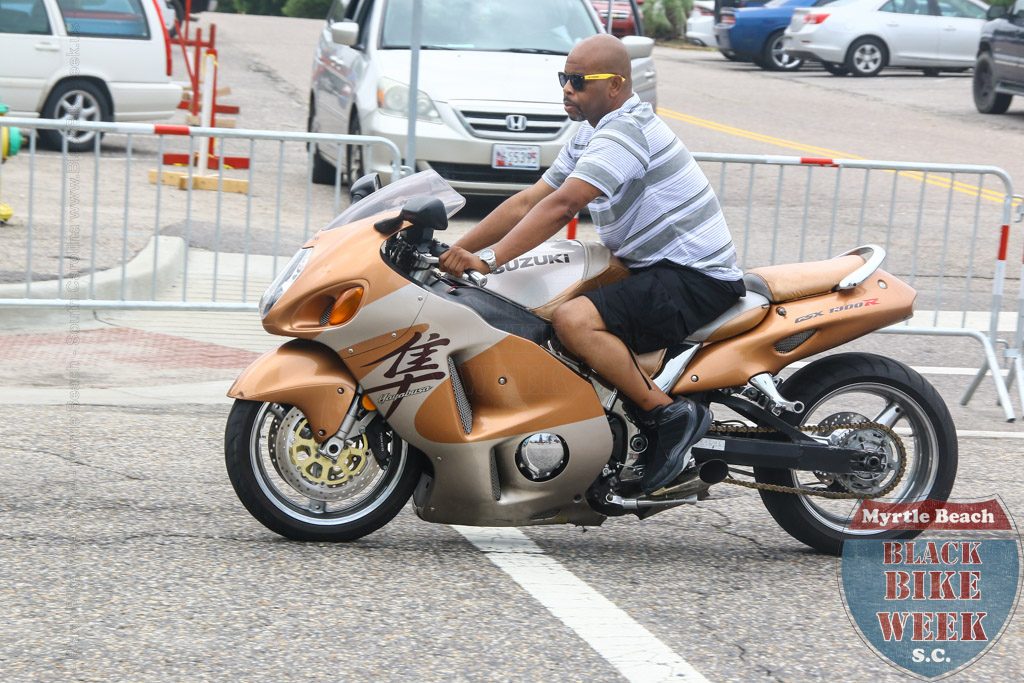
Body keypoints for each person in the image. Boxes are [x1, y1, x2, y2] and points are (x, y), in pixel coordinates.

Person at [439, 34, 744, 495]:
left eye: (579, 81)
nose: (567, 88)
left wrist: (487, 259)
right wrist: (455, 251)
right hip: (650, 267)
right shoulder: (591, 131)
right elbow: (529, 201)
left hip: (692, 276)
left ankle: (666, 415)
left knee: (573, 319)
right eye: (564, 77)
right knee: (535, 301)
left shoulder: (625, 131)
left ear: (616, 86)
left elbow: (564, 207)